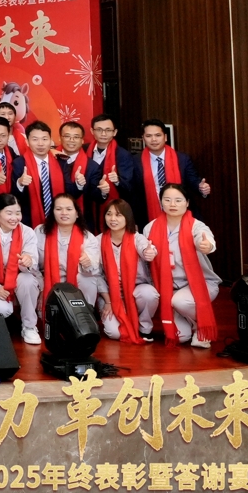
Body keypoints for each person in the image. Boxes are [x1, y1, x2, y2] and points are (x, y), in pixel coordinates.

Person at [144, 183, 219, 348]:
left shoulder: (196, 226)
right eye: (167, 200)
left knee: (180, 301)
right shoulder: (150, 228)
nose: (172, 204)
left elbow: (205, 238)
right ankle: (189, 321)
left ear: (187, 202)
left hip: (201, 283)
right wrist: (146, 254)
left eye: (178, 200)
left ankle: (200, 326)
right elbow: (146, 252)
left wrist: (206, 245)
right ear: (161, 202)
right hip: (168, 287)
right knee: (181, 337)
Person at [86, 199, 159, 343]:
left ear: (127, 217)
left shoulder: (137, 238)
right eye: (109, 214)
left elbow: (147, 249)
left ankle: (144, 327)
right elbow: (97, 275)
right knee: (115, 333)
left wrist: (149, 252)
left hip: (135, 290)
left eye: (118, 215)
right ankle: (123, 316)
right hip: (110, 294)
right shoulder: (97, 241)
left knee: (149, 294)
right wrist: (108, 301)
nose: (113, 219)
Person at [0, 194, 43, 345]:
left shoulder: (27, 232)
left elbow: (32, 263)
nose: (14, 218)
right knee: (1, 309)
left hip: (19, 279)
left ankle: (29, 326)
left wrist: (27, 261)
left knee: (27, 280)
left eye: (18, 213)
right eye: (9, 213)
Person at [131, 120, 211, 226]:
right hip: (148, 216)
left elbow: (194, 182)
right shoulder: (135, 161)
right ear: (143, 138)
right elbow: (133, 193)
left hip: (181, 214)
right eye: (149, 136)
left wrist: (201, 188)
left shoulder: (182, 159)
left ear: (165, 137)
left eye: (158, 135)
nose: (153, 139)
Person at [35, 193, 100, 315]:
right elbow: (34, 264)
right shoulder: (40, 232)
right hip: (47, 279)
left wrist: (88, 263)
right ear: (53, 212)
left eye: (69, 209)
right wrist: (42, 286)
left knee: (88, 279)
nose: (64, 213)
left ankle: (84, 315)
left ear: (77, 214)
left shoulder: (87, 237)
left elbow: (94, 270)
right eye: (59, 209)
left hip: (75, 280)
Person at [19, 121, 84, 229]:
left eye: (44, 139)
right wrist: (20, 184)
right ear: (27, 141)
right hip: (30, 223)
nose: (40, 143)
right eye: (35, 139)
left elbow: (70, 194)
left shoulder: (60, 162)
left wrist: (79, 184)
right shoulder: (19, 163)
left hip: (59, 220)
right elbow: (14, 197)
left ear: (51, 140)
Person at [86, 113, 137, 218]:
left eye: (108, 130)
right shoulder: (83, 150)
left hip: (114, 209)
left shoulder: (123, 155)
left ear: (115, 132)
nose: (103, 134)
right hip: (88, 204)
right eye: (99, 130)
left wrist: (117, 181)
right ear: (92, 131)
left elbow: (129, 187)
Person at [56, 121, 95, 227]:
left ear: (82, 140)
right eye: (67, 136)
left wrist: (104, 191)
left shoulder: (92, 166)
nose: (71, 140)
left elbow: (96, 198)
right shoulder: (49, 158)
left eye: (76, 137)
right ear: (60, 138)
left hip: (82, 220)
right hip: (52, 216)